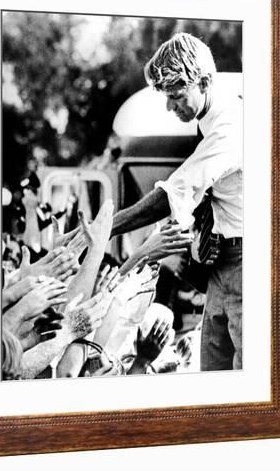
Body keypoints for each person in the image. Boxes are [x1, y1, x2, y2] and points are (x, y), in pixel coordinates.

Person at [111, 32, 243, 371]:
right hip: (220, 267)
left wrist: (106, 229)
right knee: (214, 372)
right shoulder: (210, 122)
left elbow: (173, 193)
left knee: (246, 380)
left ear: (204, 81)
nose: (171, 107)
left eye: (177, 96)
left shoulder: (229, 127)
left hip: (246, 265)